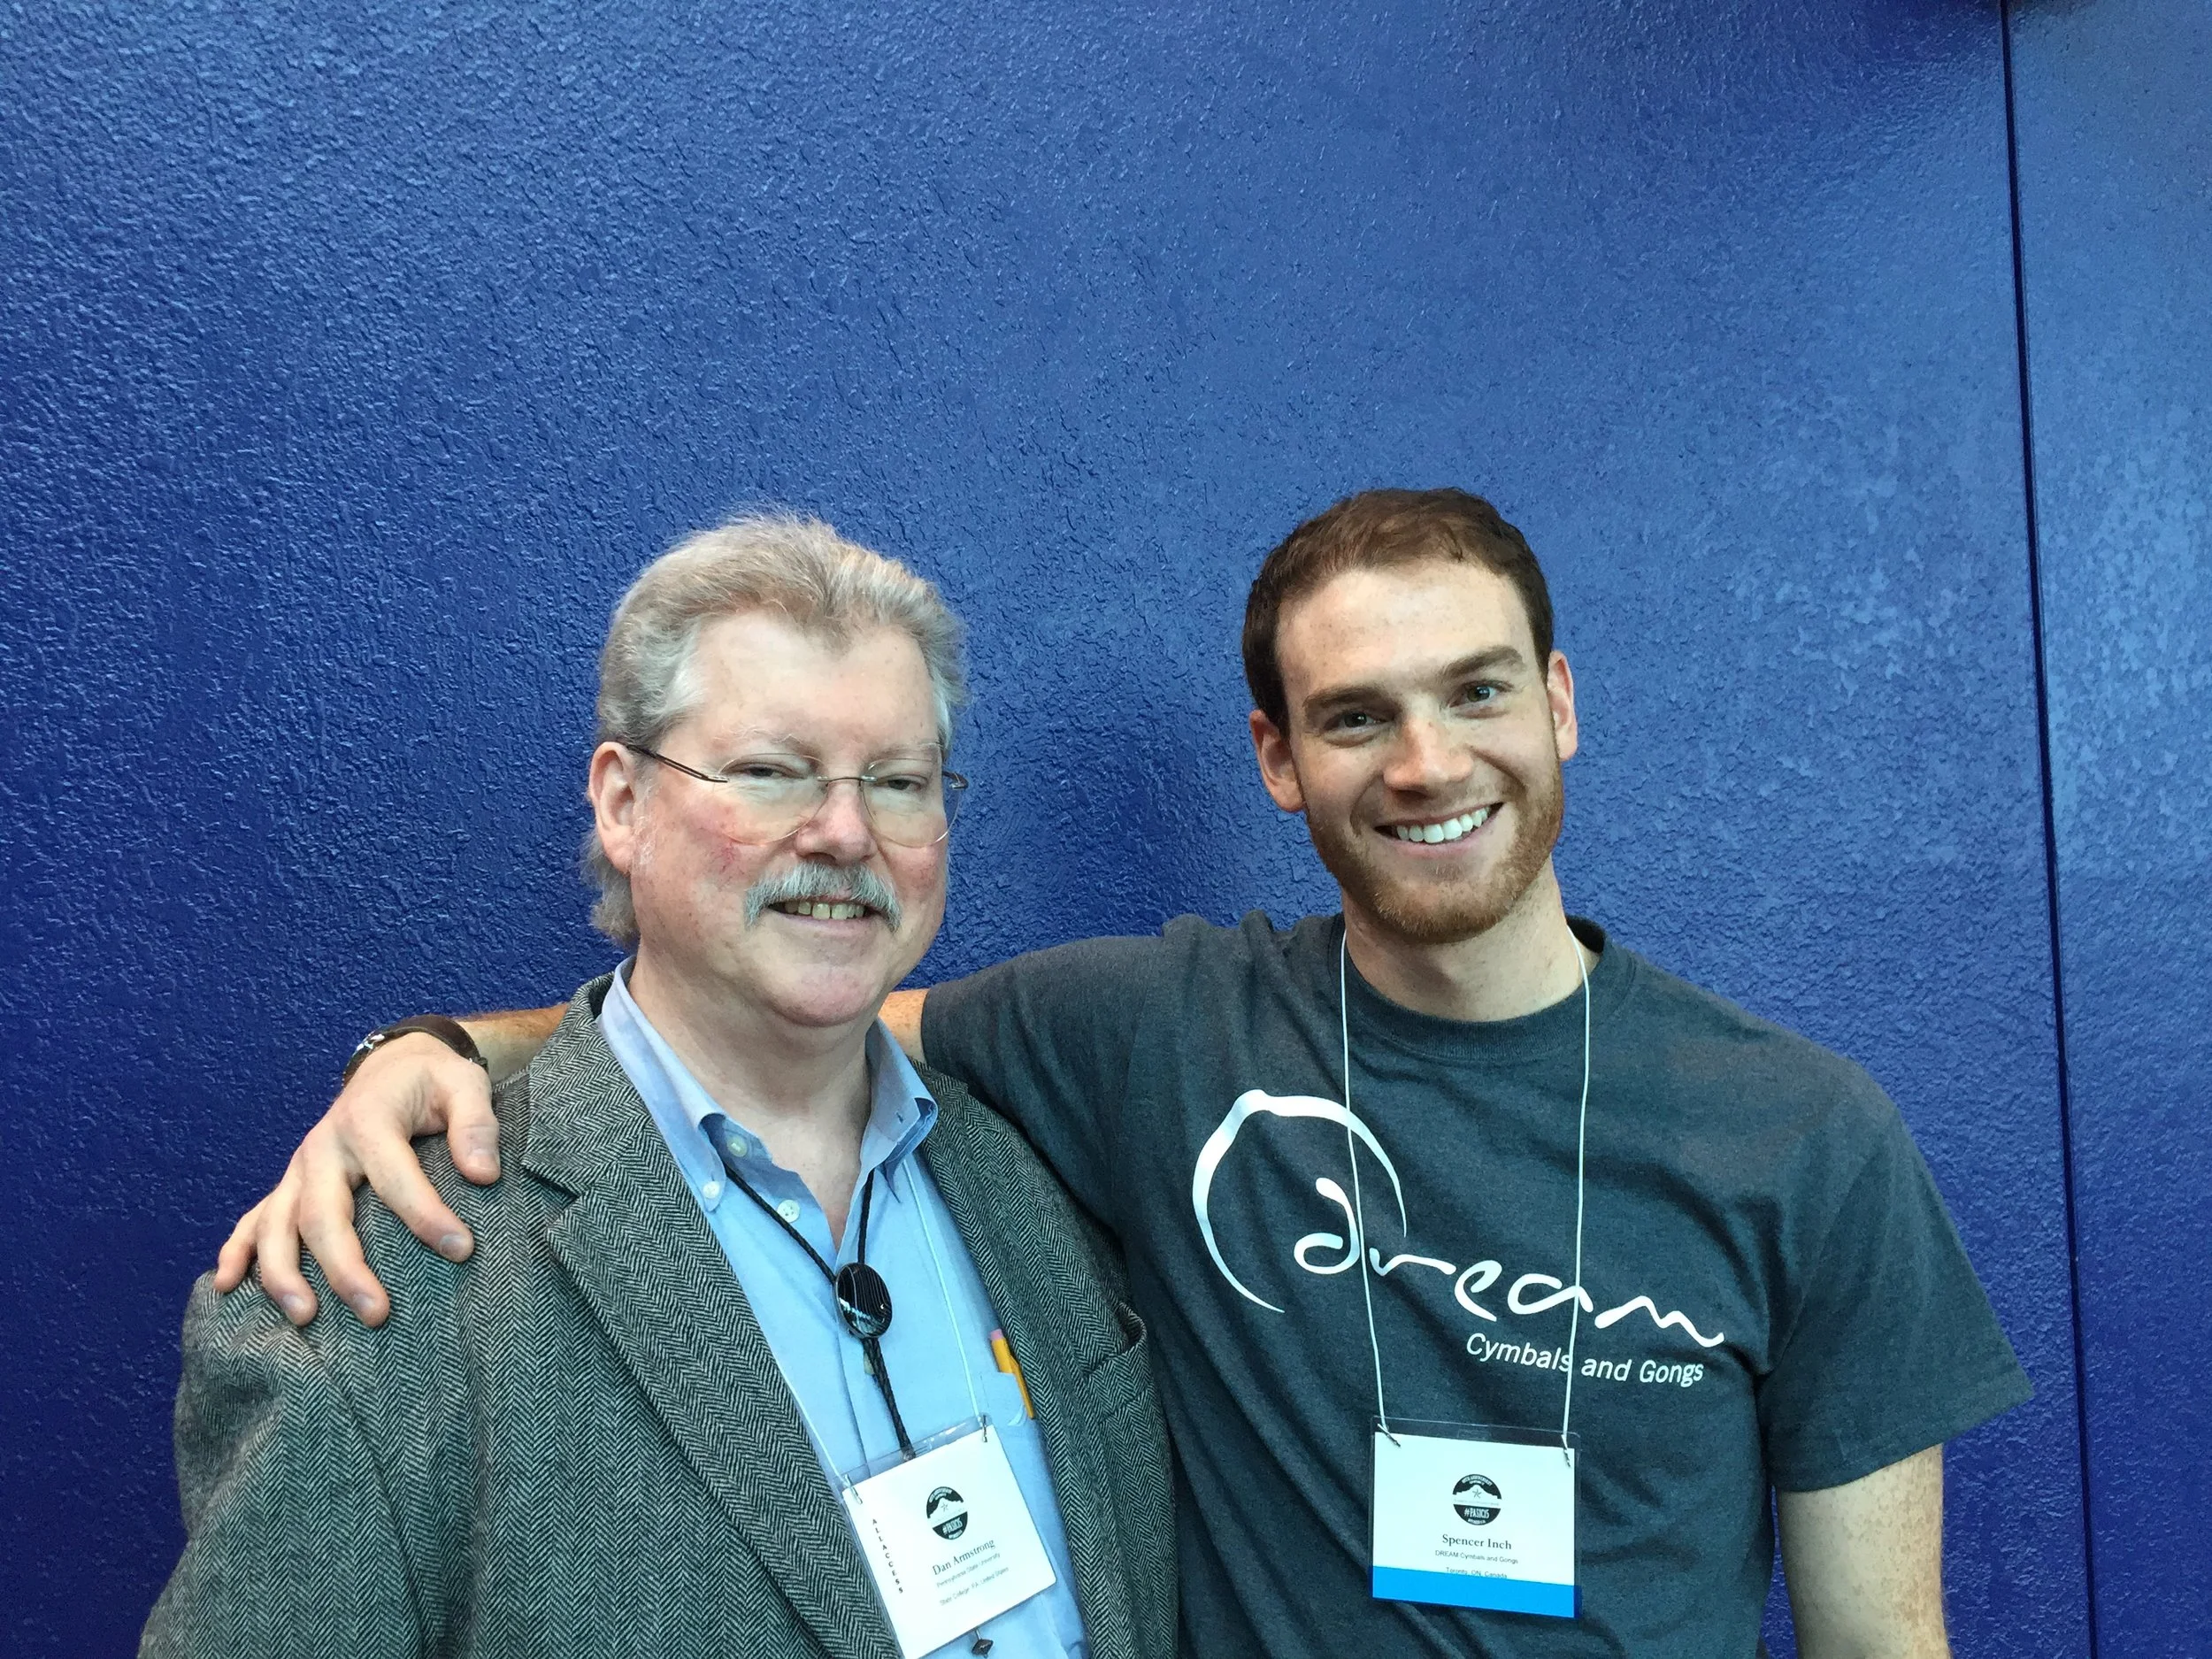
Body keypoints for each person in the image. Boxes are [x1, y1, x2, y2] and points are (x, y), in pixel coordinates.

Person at [220, 488, 2031, 1658]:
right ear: (1272, 757)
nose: (1423, 761)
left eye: (1474, 692)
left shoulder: (1802, 1138)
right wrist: (434, 1051)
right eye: (1351, 716)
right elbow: (776, 1001)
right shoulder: (1151, 1037)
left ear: (1556, 699)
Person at [148, 516, 1176, 1659]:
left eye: (896, 780)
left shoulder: (1041, 1177)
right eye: (772, 772)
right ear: (622, 804)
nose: (844, 830)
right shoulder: (370, 1309)